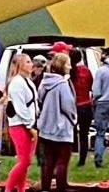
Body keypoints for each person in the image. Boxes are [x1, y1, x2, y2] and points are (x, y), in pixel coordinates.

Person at [36, 53, 75, 192]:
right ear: (63, 66)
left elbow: (39, 99)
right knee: (62, 162)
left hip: (46, 128)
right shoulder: (62, 84)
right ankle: (61, 188)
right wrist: (74, 119)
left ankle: (45, 188)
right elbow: (68, 106)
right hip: (62, 129)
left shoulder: (44, 82)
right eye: (68, 64)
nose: (70, 66)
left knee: (47, 162)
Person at [4, 54, 37, 192]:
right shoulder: (17, 83)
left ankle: (21, 189)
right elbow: (20, 108)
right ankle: (9, 188)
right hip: (20, 125)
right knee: (24, 161)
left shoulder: (27, 81)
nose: (32, 64)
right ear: (21, 65)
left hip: (29, 124)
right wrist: (29, 126)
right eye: (28, 62)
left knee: (25, 162)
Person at [68, 51, 93, 168]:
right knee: (84, 134)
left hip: (73, 105)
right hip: (86, 104)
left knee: (69, 134)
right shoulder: (86, 71)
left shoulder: (70, 72)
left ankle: (68, 155)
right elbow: (91, 86)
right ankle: (82, 159)